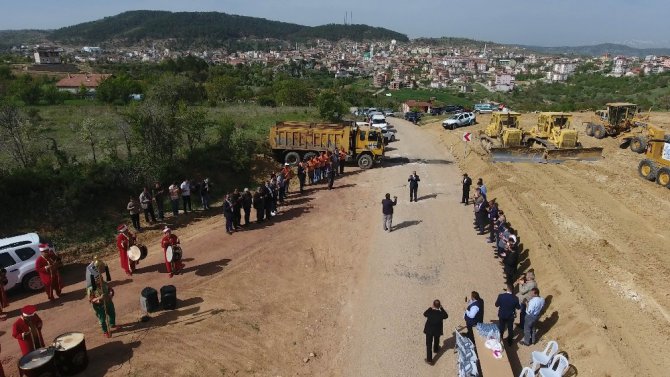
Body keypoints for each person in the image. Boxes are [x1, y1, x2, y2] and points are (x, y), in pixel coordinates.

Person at [87, 259, 116, 338]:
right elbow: (91, 300)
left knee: (112, 314)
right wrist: (99, 298)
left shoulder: (104, 284)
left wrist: (111, 294)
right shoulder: (91, 289)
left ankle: (112, 324)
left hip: (108, 302)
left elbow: (111, 289)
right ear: (94, 280)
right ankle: (105, 331)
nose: (101, 279)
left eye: (101, 277)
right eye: (98, 279)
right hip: (99, 306)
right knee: (102, 319)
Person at [423, 299, 448, 365]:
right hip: (437, 330)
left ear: (433, 305)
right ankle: (436, 349)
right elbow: (446, 316)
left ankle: (429, 360)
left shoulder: (430, 312)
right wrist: (442, 308)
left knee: (429, 345)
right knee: (436, 339)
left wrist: (430, 308)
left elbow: (424, 314)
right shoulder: (441, 314)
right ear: (439, 306)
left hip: (429, 330)